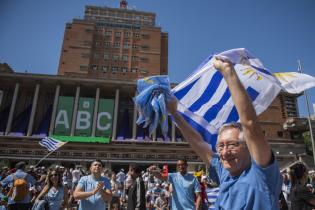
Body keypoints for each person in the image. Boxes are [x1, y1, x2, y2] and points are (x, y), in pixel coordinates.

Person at [166, 56, 282, 209]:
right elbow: (198, 142)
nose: (225, 152)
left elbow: (250, 124)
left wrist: (228, 72)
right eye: (220, 146)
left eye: (232, 144)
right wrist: (174, 114)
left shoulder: (261, 174)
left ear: (248, 146)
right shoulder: (224, 172)